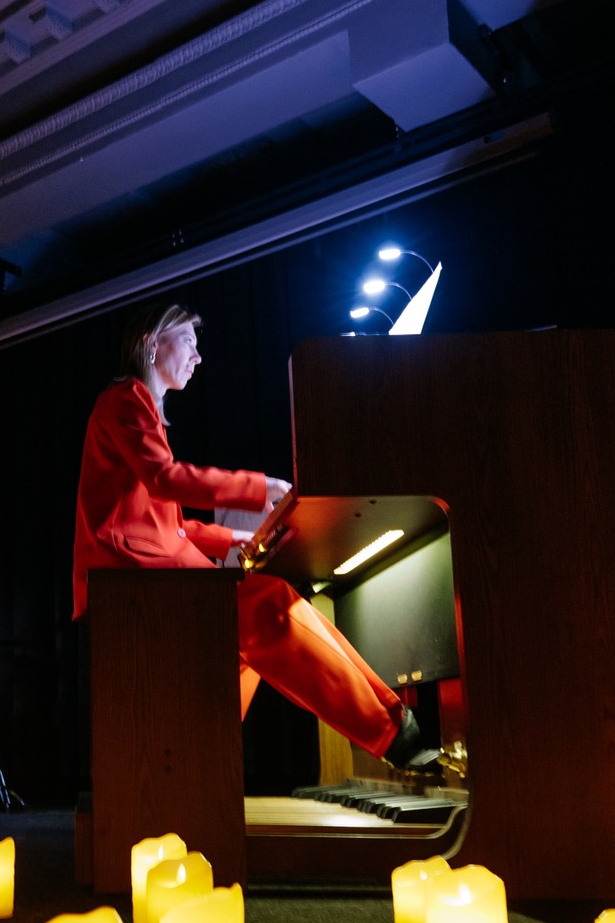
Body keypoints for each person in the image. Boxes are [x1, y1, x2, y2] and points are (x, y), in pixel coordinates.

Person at [71, 303, 437, 767]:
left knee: (249, 639)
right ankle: (391, 731)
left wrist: (233, 540)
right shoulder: (125, 400)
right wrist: (260, 488)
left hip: (142, 568)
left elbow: (169, 525)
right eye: (188, 342)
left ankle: (203, 762)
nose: (198, 356)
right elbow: (165, 481)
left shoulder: (139, 407)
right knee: (270, 605)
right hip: (127, 577)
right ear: (151, 343)